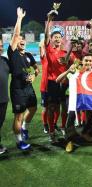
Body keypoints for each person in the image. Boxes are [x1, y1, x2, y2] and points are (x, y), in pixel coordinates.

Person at [8, 7, 39, 150]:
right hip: (18, 88)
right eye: (19, 39)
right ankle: (19, 140)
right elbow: (15, 35)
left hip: (28, 88)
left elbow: (36, 70)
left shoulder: (28, 56)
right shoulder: (13, 53)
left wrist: (34, 76)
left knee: (33, 108)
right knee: (19, 116)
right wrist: (19, 18)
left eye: (23, 39)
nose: (21, 40)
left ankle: (25, 128)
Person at [44, 10, 71, 143]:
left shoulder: (65, 52)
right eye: (55, 37)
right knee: (52, 108)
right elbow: (45, 37)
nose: (57, 38)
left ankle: (63, 127)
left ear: (61, 39)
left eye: (59, 37)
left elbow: (68, 63)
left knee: (64, 108)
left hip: (64, 83)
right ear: (52, 39)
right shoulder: (49, 50)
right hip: (52, 82)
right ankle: (51, 131)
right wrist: (49, 20)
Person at [0, 39, 10, 154]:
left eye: (1, 45)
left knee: (0, 122)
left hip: (3, 98)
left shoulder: (4, 60)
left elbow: (16, 71)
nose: (0, 48)